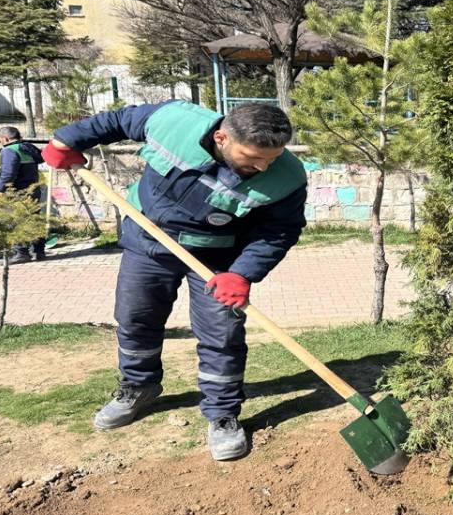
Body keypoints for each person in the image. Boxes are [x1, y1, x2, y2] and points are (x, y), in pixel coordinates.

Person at [42, 101, 306, 461]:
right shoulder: (173, 122)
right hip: (148, 240)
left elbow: (280, 231)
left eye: (271, 158)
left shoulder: (287, 176)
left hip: (217, 259)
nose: (263, 166)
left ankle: (222, 414)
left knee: (222, 335)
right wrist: (66, 141)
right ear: (221, 137)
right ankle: (138, 388)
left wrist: (242, 273)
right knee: (136, 321)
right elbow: (118, 120)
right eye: (252, 157)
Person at [0, 126, 47, 263]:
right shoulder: (27, 147)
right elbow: (41, 158)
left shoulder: (9, 151)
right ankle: (38, 251)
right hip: (33, 189)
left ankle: (21, 253)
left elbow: (8, 173)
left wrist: (0, 190)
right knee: (34, 219)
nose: (0, 142)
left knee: (18, 220)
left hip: (18, 191)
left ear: (5, 138)